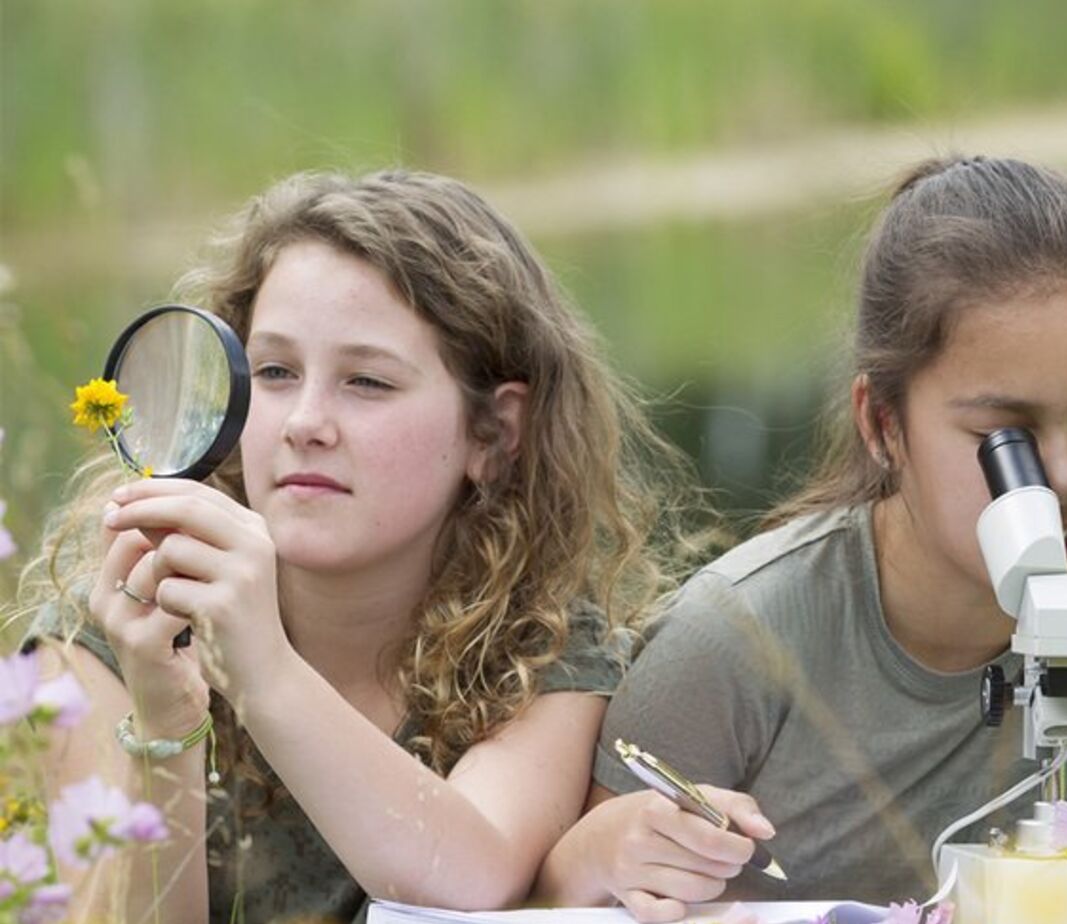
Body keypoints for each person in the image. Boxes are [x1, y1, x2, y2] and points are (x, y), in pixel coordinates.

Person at [531, 155, 1067, 919]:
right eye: (1007, 437)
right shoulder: (735, 639)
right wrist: (597, 861)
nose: (1064, 474)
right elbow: (554, 906)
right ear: (882, 425)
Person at [16, 169, 701, 922]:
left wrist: (262, 668)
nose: (305, 421)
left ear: (495, 433)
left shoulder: (540, 650)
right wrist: (166, 720)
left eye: (367, 382)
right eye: (274, 372)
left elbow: (474, 880)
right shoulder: (109, 636)